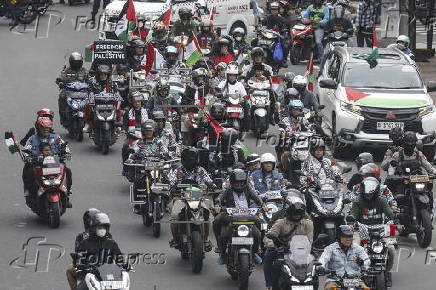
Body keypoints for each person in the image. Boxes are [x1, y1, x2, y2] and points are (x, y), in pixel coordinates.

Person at [348, 176, 400, 287]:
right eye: (366, 194)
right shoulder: (358, 201)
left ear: (376, 192)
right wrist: (351, 224)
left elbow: (389, 213)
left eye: (370, 194)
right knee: (353, 248)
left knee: (391, 250)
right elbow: (353, 215)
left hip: (380, 228)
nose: (368, 196)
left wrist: (396, 221)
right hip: (362, 228)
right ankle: (353, 272)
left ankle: (386, 272)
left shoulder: (381, 200)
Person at [168, 148, 218, 251]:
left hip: (197, 196)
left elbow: (208, 180)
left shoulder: (200, 170)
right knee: (174, 216)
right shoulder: (178, 170)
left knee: (206, 215)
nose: (190, 161)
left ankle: (206, 240)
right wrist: (171, 187)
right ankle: (174, 239)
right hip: (180, 197)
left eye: (192, 159)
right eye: (188, 159)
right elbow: (171, 182)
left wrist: (214, 187)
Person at [213, 169, 266, 264]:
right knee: (218, 223)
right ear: (232, 182)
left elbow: (256, 197)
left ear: (245, 182)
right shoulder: (228, 189)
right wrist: (217, 205)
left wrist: (263, 205)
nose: (239, 185)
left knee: (258, 231)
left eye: (241, 182)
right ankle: (223, 254)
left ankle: (255, 252)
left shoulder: (248, 189)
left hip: (248, 216)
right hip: (231, 216)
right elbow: (220, 197)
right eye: (237, 182)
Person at [263, 196, 314, 290]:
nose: (297, 216)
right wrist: (272, 245)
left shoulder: (308, 223)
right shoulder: (280, 223)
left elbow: (310, 240)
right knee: (268, 256)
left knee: (316, 266)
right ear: (289, 212)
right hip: (282, 250)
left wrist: (310, 248)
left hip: (302, 251)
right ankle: (269, 284)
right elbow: (268, 236)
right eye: (295, 213)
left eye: (299, 213)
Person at [23, 117, 72, 208]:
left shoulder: (56, 137)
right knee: (28, 172)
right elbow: (26, 149)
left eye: (47, 128)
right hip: (38, 165)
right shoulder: (32, 139)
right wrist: (28, 157)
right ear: (38, 127)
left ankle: (66, 194)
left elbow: (64, 146)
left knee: (68, 172)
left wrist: (67, 153)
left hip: (55, 164)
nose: (45, 130)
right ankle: (31, 195)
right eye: (43, 128)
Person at [74, 213, 124, 289]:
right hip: (91, 275)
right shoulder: (84, 243)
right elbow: (79, 259)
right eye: (100, 227)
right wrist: (85, 267)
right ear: (93, 228)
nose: (102, 229)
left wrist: (123, 265)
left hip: (109, 276)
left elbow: (120, 258)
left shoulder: (111, 243)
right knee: (80, 288)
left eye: (104, 227)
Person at [318, 225, 370, 290]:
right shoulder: (330, 249)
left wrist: (362, 262)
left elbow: (367, 260)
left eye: (350, 236)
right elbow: (323, 259)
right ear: (339, 237)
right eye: (345, 236)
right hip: (335, 280)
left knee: (365, 288)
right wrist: (321, 267)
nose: (348, 239)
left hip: (354, 280)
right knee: (329, 288)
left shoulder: (358, 249)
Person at [66, 208, 107, 290]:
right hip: (100, 270)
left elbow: (78, 255)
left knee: (69, 270)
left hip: (92, 270)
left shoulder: (80, 236)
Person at [56, 52, 89, 125]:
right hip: (69, 91)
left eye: (78, 62)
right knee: (62, 96)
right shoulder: (67, 70)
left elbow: (89, 79)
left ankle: (89, 119)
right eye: (75, 62)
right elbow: (61, 77)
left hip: (82, 91)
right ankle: (63, 116)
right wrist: (60, 81)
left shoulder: (84, 70)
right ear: (71, 62)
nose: (76, 64)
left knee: (92, 99)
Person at [121, 91, 149, 166]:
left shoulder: (147, 111)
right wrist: (124, 130)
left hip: (145, 136)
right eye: (135, 102)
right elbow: (124, 124)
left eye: (139, 101)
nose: (137, 103)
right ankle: (125, 166)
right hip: (132, 137)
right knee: (125, 146)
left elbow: (151, 122)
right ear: (132, 102)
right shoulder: (127, 112)